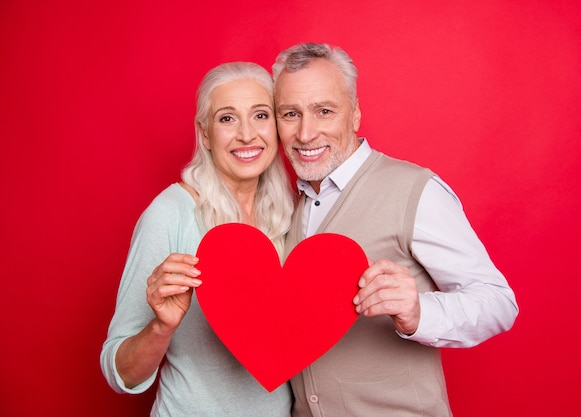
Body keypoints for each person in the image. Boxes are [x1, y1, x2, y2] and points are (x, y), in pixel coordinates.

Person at [272, 42, 519, 417]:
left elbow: (499, 302)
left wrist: (420, 312)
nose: (306, 133)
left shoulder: (414, 190)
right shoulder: (287, 206)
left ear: (354, 114)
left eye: (324, 111)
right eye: (290, 113)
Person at [100, 62, 294, 417]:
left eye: (261, 115)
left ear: (278, 126)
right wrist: (162, 326)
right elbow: (119, 373)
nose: (247, 134)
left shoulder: (291, 215)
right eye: (227, 119)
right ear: (204, 134)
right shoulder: (171, 212)